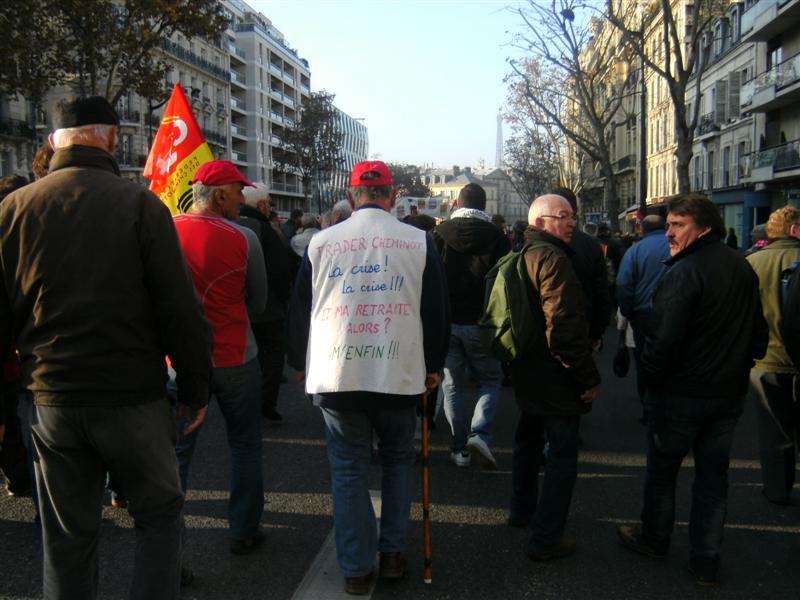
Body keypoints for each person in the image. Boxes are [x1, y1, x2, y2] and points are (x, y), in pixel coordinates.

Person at [0, 96, 213, 600]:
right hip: (130, 396)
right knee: (158, 516)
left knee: (67, 538)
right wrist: (196, 386)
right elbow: (178, 309)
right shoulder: (139, 205)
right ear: (113, 139)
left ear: (54, 142)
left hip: (50, 398)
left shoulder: (12, 210)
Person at [287, 160, 449, 595]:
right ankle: (392, 554)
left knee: (348, 469)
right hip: (398, 373)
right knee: (398, 461)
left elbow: (300, 309)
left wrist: (298, 362)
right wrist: (433, 365)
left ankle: (356, 567)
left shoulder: (322, 243)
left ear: (352, 193)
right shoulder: (418, 241)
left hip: (338, 373)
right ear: (392, 196)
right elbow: (434, 311)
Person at [617, 194, 767, 586]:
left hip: (683, 393)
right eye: (668, 224)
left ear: (704, 228)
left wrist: (651, 379)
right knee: (713, 478)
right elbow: (758, 335)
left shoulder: (683, 272)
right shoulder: (741, 266)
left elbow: (663, 340)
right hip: (727, 393)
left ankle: (654, 538)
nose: (668, 231)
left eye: (677, 224)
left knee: (664, 469)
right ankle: (706, 558)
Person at [173, 160, 268, 555]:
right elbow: (259, 303)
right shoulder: (245, 237)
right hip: (234, 355)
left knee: (178, 452)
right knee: (244, 443)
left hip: (178, 360)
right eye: (238, 190)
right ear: (219, 195)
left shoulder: (164, 230)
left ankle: (168, 545)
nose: (243, 198)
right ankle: (243, 529)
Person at [508, 194, 600, 561]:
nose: (572, 222)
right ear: (542, 222)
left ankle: (522, 510)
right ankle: (546, 539)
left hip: (529, 369)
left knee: (527, 442)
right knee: (562, 455)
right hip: (555, 374)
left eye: (572, 216)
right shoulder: (552, 258)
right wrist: (586, 378)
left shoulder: (524, 254)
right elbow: (563, 327)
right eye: (564, 217)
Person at [431, 183, 510, 469]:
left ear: (457, 203)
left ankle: (458, 447)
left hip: (448, 320)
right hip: (482, 321)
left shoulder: (438, 235)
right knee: (490, 379)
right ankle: (479, 432)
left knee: (451, 384)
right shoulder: (497, 237)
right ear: (484, 205)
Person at [746, 206, 800, 505]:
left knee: (774, 430)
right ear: (794, 230)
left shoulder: (753, 262)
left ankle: (777, 490)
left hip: (766, 359)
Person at [238, 184, 292, 422]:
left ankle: (245, 401)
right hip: (268, 307)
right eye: (268, 202)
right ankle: (265, 401)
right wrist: (285, 299)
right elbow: (281, 270)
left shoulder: (229, 225)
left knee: (248, 355)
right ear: (260, 205)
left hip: (237, 306)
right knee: (272, 354)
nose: (269, 206)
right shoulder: (265, 229)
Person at [615, 215, 671, 401]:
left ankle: (647, 403)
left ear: (642, 229)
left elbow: (624, 283)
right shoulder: (676, 245)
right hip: (674, 312)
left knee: (644, 360)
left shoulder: (636, 250)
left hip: (643, 314)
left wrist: (628, 311)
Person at [552, 187, 611, 350]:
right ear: (575, 211)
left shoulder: (540, 246)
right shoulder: (591, 245)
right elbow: (601, 290)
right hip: (583, 322)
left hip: (549, 325)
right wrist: (597, 331)